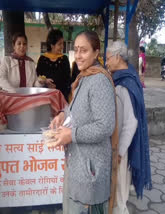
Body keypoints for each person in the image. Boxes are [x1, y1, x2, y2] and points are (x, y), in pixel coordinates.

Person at [49, 31, 116, 214]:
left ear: (96, 52)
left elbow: (105, 126)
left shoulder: (99, 81)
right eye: (76, 50)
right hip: (79, 164)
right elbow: (77, 109)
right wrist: (63, 114)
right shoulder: (85, 76)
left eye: (84, 50)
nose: (78, 55)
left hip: (90, 170)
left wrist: (72, 134)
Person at [106, 41, 152, 214]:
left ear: (118, 57)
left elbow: (131, 122)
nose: (107, 62)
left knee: (118, 194)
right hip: (122, 145)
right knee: (119, 189)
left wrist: (119, 152)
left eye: (109, 58)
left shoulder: (124, 83)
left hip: (121, 148)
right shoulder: (128, 75)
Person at [36, 29, 71, 101]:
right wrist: (45, 82)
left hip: (60, 97)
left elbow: (67, 80)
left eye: (62, 43)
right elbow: (37, 77)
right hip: (44, 97)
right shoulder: (42, 59)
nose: (62, 47)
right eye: (59, 44)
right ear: (52, 45)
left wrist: (56, 87)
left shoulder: (64, 59)